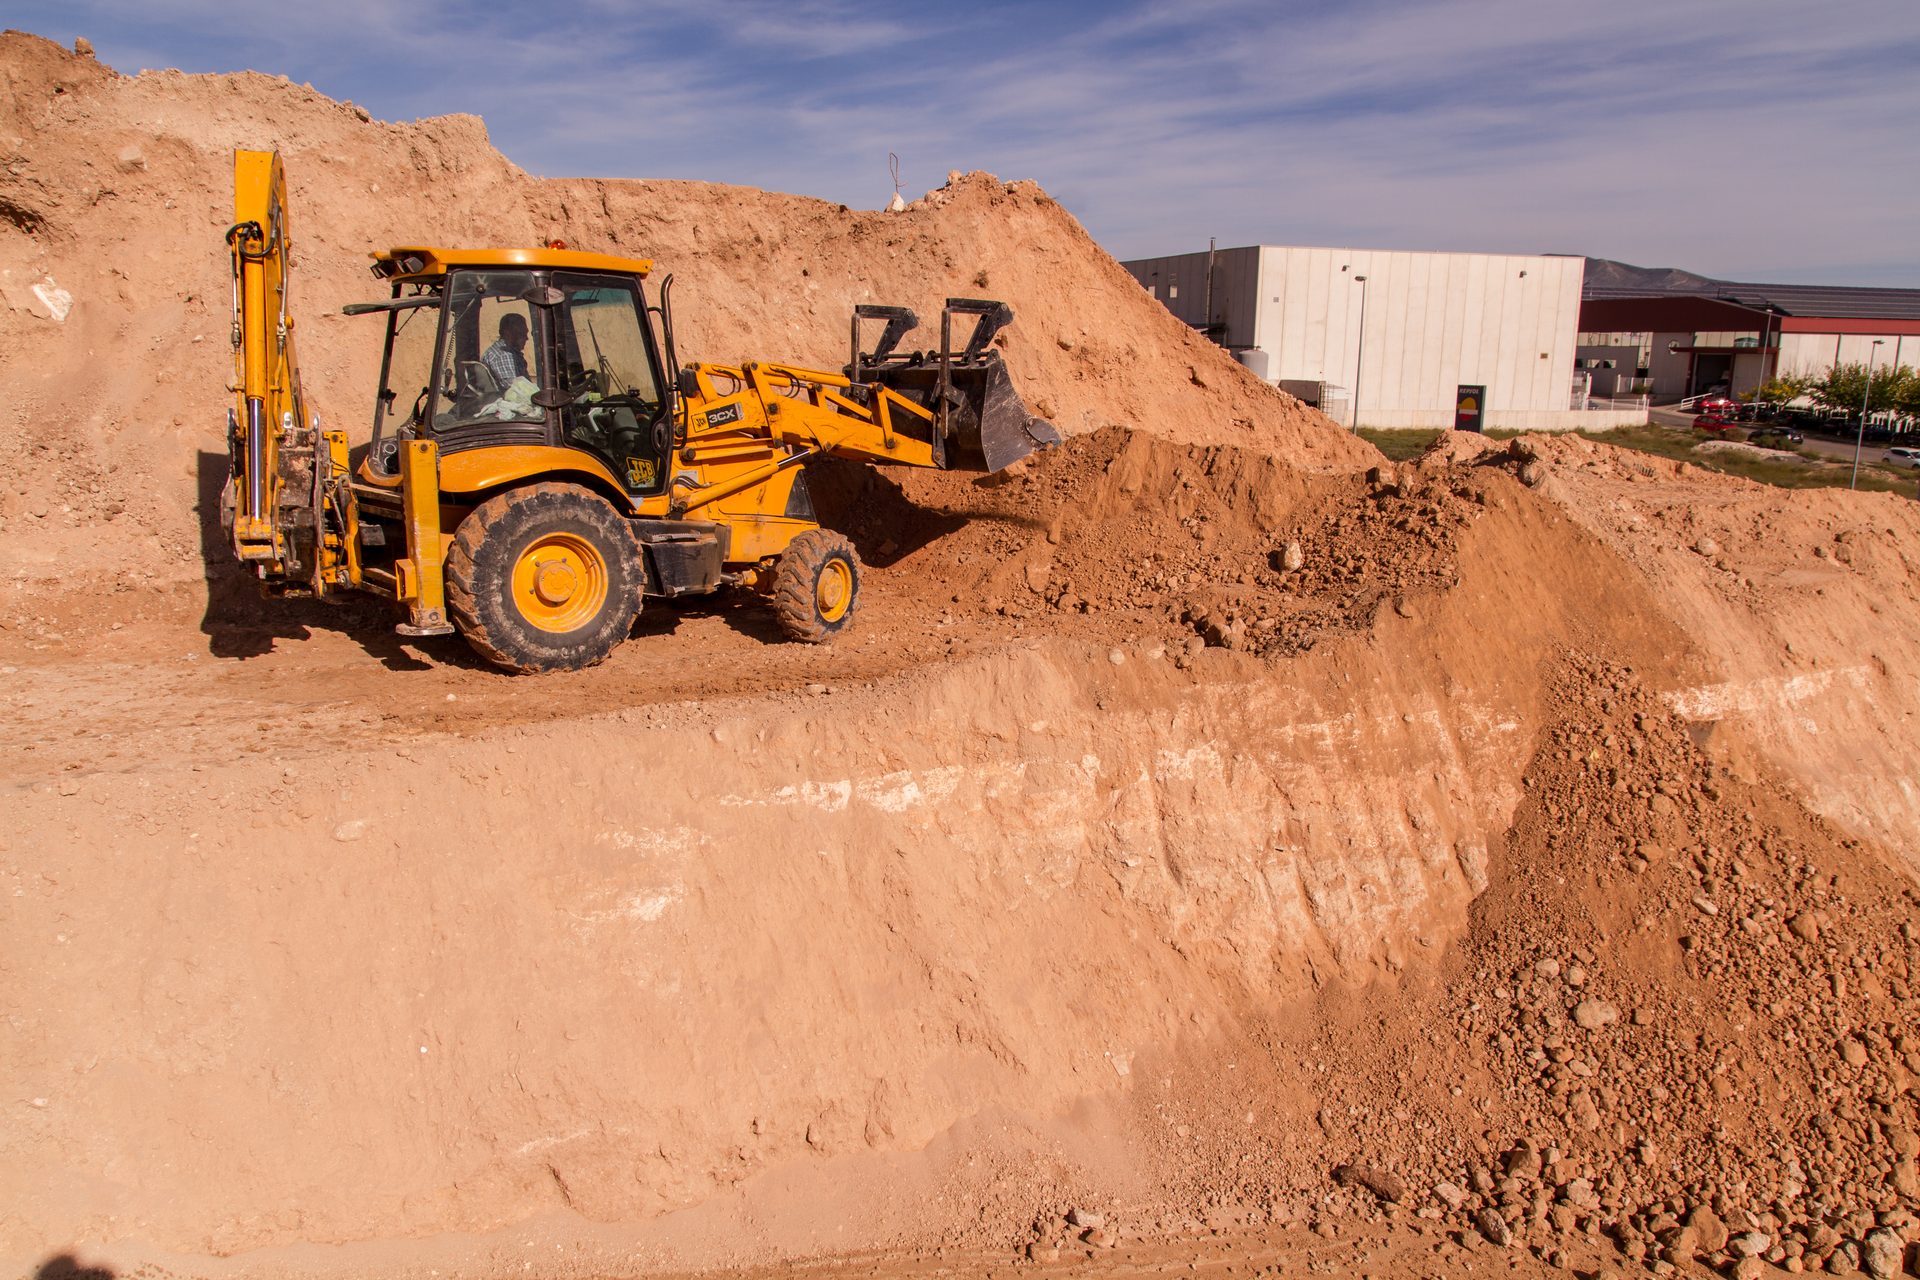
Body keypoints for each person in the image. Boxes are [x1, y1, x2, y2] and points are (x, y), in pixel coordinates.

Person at [480, 313, 530, 389]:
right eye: (522, 333)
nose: (526, 338)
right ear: (508, 333)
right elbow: (516, 390)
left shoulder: (502, 351)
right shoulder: (505, 355)